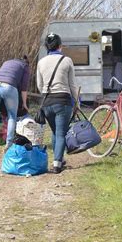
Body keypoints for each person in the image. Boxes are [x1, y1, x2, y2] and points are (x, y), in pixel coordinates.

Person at [36, 33, 78, 173]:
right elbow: (72, 85)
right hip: (63, 101)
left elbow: (39, 84)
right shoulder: (67, 61)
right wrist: (77, 101)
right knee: (61, 133)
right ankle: (57, 163)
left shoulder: (41, 62)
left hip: (47, 102)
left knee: (55, 132)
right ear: (60, 46)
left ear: (47, 47)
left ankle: (57, 158)